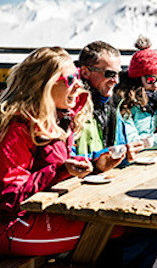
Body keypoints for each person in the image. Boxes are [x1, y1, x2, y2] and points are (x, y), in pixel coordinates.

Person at [0, 47, 93, 255]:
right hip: (13, 226)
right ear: (46, 85)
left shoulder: (59, 120)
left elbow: (52, 168)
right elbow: (9, 198)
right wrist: (59, 170)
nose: (78, 84)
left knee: (117, 227)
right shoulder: (18, 127)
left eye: (77, 75)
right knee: (114, 228)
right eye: (70, 79)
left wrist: (94, 164)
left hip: (41, 214)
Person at [75, 41, 142, 165]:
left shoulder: (113, 104)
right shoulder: (72, 106)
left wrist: (125, 154)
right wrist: (101, 159)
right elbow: (69, 161)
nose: (116, 81)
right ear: (85, 72)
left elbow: (116, 151)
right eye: (110, 74)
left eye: (118, 74)